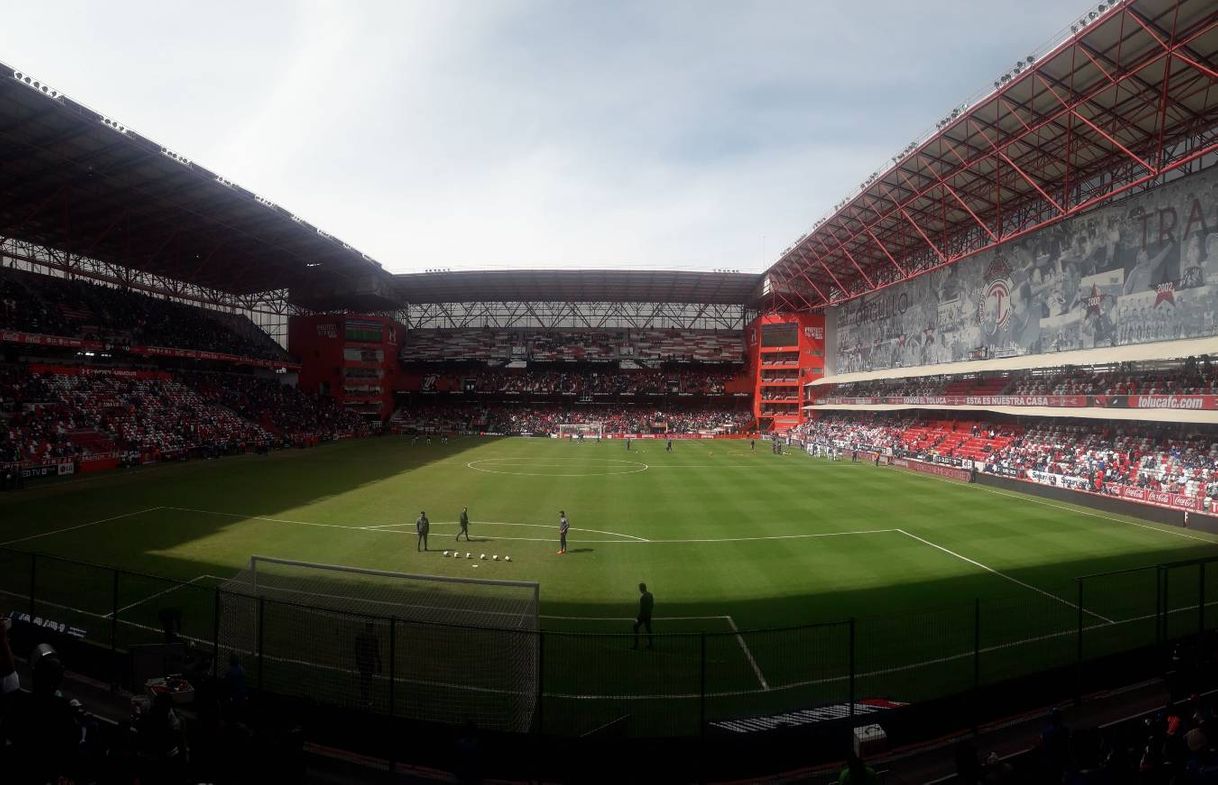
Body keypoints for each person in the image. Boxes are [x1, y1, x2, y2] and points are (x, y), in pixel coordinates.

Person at [354, 622, 382, 707]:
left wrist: (358, 660)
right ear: (372, 627)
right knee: (367, 680)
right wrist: (379, 662)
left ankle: (363, 698)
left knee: (363, 680)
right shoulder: (373, 638)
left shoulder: (360, 636)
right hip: (369, 662)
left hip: (363, 661)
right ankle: (365, 699)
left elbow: (357, 649)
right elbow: (376, 652)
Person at [633, 582, 654, 650]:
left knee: (635, 627)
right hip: (648, 615)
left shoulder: (642, 598)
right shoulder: (650, 595)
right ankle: (650, 644)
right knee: (648, 629)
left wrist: (637, 619)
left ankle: (636, 644)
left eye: (640, 588)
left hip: (644, 616)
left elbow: (642, 610)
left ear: (641, 589)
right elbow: (652, 605)